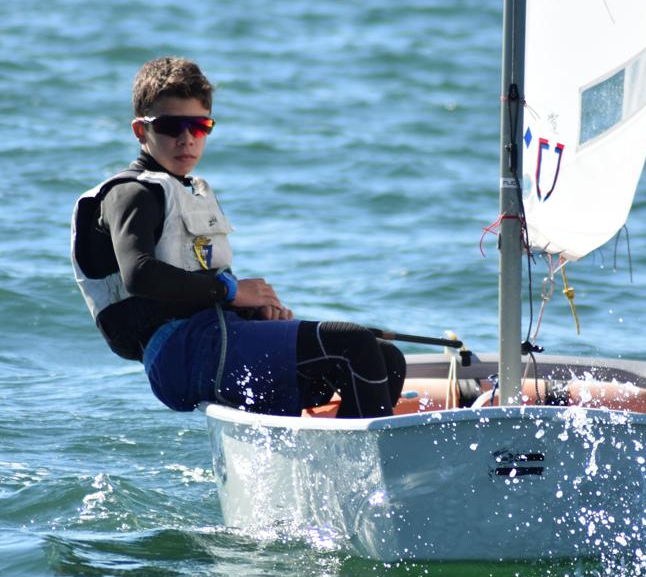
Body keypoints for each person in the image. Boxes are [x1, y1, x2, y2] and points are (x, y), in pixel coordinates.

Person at [71, 57, 406, 418]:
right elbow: (139, 275)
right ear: (141, 131)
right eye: (170, 126)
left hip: (212, 339)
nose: (186, 139)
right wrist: (232, 292)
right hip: (179, 352)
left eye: (199, 126)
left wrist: (249, 308)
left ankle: (331, 462)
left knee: (386, 358)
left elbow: (190, 283)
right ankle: (363, 470)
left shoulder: (184, 189)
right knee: (353, 344)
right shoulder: (131, 193)